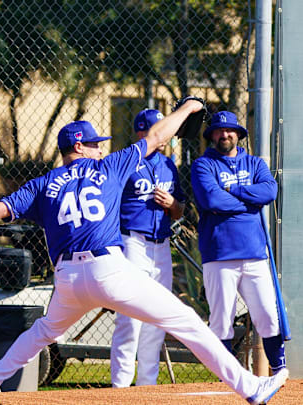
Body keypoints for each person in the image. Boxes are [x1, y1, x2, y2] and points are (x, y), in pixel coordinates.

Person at [0, 101, 288, 405]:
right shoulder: (108, 166)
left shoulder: (43, 183)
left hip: (67, 279)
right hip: (109, 270)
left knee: (41, 333)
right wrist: (189, 106)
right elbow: (158, 135)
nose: (100, 147)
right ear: (78, 147)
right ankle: (252, 388)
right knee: (187, 322)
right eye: (95, 143)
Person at [191, 111, 286, 375]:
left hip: (255, 252)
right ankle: (228, 375)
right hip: (219, 253)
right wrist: (249, 201)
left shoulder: (255, 163)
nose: (224, 135)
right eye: (219, 131)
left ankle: (279, 370)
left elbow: (269, 191)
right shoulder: (203, 165)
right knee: (222, 321)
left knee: (268, 315)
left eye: (230, 130)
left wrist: (233, 191)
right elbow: (211, 200)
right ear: (212, 136)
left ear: (239, 134)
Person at [110, 109, 186, 387]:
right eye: (158, 128)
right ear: (142, 132)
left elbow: (180, 211)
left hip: (161, 246)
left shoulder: (169, 165)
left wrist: (172, 205)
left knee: (157, 315)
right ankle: (120, 386)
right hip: (132, 242)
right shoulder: (125, 163)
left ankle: (147, 386)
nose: (165, 133)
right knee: (129, 317)